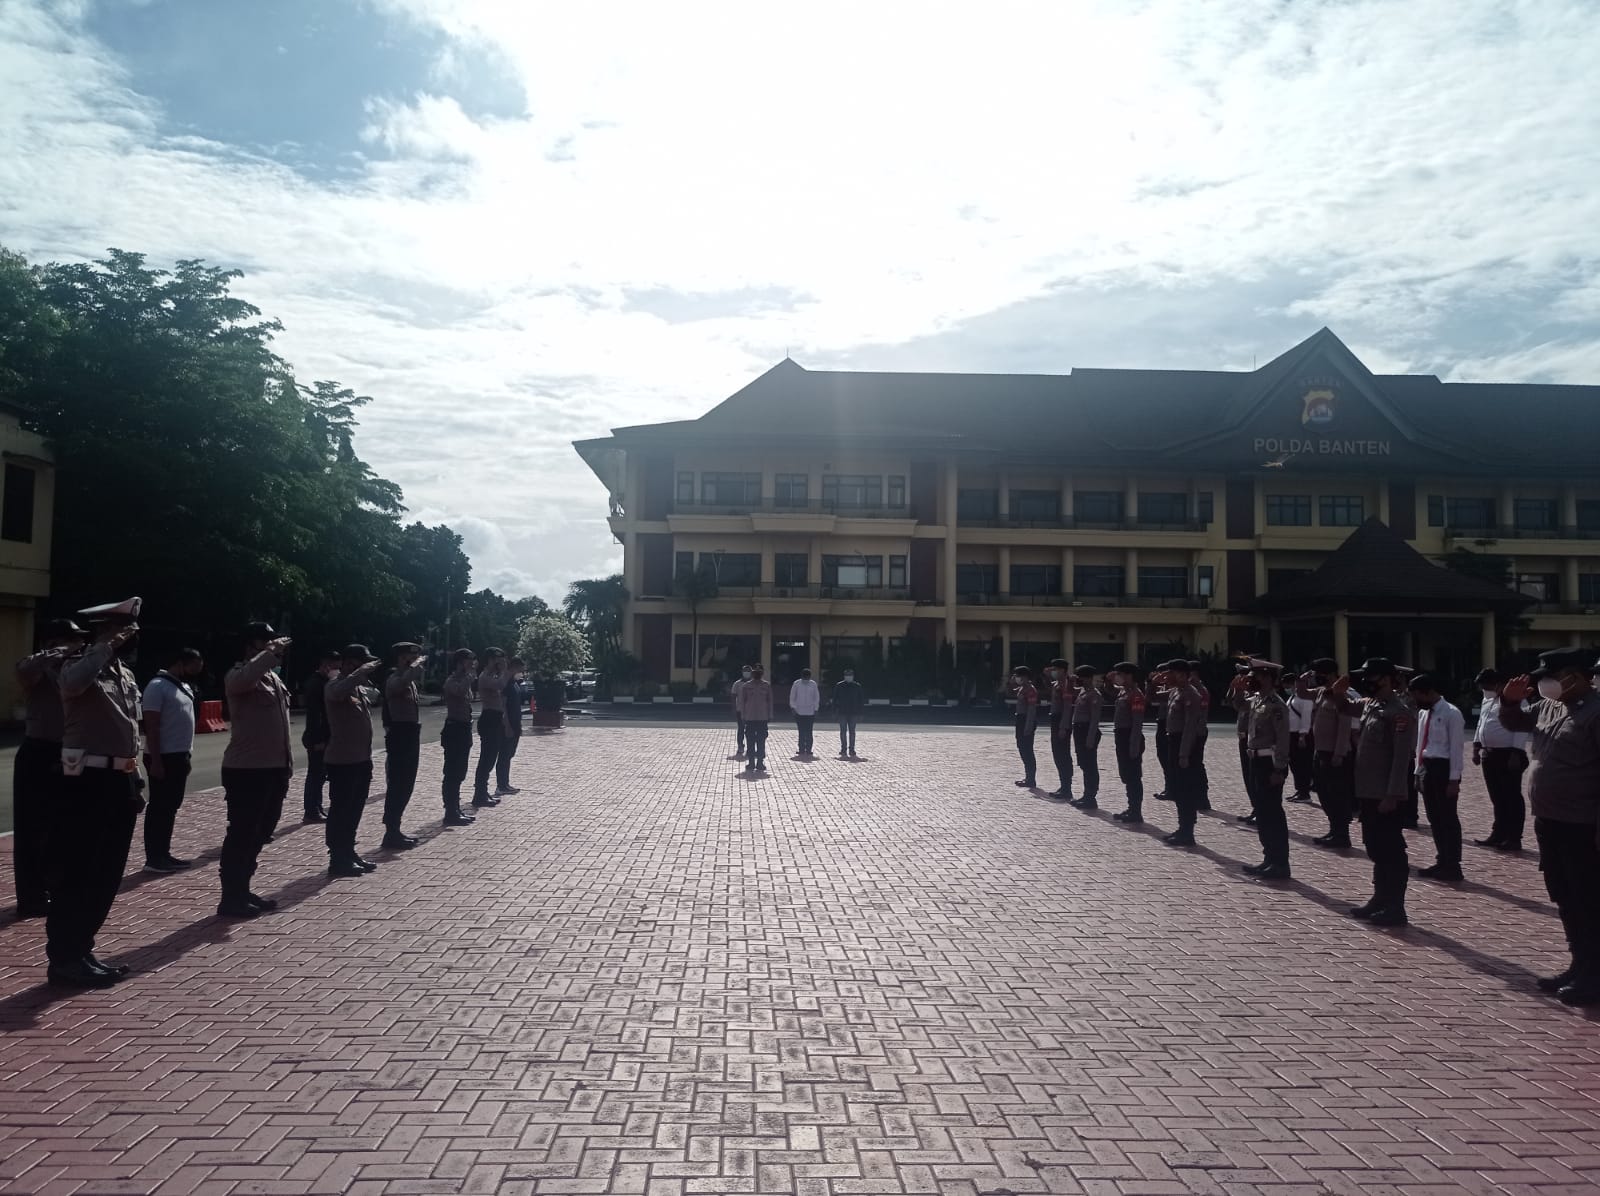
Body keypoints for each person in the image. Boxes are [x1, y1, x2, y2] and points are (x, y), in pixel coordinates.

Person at [46, 598, 143, 987]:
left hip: (119, 781)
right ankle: (64, 958)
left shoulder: (124, 674)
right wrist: (104, 647)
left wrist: (137, 782)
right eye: (124, 629)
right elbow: (71, 685)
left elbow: (133, 733)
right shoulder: (75, 664)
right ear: (104, 630)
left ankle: (82, 949)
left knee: (107, 873)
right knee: (77, 872)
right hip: (85, 781)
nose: (131, 636)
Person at [1498, 649, 1600, 1005]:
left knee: (1588, 897)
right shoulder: (1550, 707)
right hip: (1549, 820)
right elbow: (1514, 723)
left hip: (1582, 823)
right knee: (1564, 894)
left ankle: (1594, 974)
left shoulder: (1596, 712)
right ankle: (1580, 964)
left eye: (1551, 675)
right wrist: (1508, 703)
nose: (1545, 683)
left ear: (1574, 675)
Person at [13, 617, 90, 919]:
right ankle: (30, 897)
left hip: (71, 751)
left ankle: (53, 886)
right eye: (73, 640)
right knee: (33, 829)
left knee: (65, 825)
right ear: (54, 641)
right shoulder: (38, 667)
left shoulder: (75, 670)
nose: (79, 645)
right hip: (40, 751)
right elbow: (23, 670)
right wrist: (52, 654)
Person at [218, 623, 294, 918]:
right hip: (246, 769)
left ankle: (242, 888)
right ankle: (230, 898)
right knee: (241, 834)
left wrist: (286, 766)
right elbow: (244, 679)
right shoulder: (238, 676)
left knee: (261, 833)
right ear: (250, 647)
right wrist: (268, 654)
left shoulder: (272, 680)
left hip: (273, 768)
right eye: (265, 644)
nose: (274, 651)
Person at [1338, 658, 1417, 927]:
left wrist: (1392, 795)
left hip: (1385, 794)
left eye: (1370, 677)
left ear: (1385, 678)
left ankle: (1395, 906)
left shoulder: (1399, 712)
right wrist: (1335, 692)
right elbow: (1345, 707)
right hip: (1368, 791)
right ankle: (1380, 899)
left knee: (1391, 850)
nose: (1366, 681)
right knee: (1375, 847)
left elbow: (1400, 758)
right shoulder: (1370, 705)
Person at [141, 647, 203, 874]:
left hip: (179, 755)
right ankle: (154, 858)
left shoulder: (184, 687)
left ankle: (164, 853)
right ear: (180, 663)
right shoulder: (157, 687)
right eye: (194, 666)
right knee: (159, 807)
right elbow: (152, 727)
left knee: (170, 808)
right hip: (162, 756)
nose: (196, 671)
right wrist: (156, 761)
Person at [324, 644, 382, 877]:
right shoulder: (335, 685)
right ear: (349, 663)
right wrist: (359, 673)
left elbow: (377, 697)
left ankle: (349, 851)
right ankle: (337, 857)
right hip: (342, 760)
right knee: (341, 810)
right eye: (362, 662)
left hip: (360, 758)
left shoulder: (358, 689)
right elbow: (338, 692)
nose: (366, 667)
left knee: (355, 809)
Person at [1408, 674, 1467, 883]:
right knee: (1434, 818)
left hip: (1444, 769)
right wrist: (1417, 771)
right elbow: (1420, 744)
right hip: (1428, 767)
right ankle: (1442, 859)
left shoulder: (1452, 713)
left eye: (1417, 695)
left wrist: (1454, 780)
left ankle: (1453, 864)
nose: (1415, 700)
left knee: (1448, 818)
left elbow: (1456, 748)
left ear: (1428, 692)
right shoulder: (1424, 714)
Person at [1237, 659, 1293, 879]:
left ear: (1269, 677)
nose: (1253, 680)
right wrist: (1238, 689)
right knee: (1261, 811)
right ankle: (1269, 858)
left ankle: (1280, 862)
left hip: (1269, 763)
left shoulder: (1277, 704)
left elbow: (1282, 739)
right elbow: (1238, 705)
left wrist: (1279, 769)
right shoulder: (1257, 700)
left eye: (1257, 676)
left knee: (1272, 813)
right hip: (1255, 760)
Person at [1471, 668, 1529, 851]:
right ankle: (1499, 833)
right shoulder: (1487, 700)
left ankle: (1514, 837)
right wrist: (1476, 746)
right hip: (1489, 754)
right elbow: (1482, 722)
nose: (1485, 690)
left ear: (1498, 684)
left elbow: (1521, 728)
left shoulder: (1516, 699)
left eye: (1487, 686)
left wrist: (1516, 752)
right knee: (1497, 797)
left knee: (1511, 796)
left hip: (1509, 754)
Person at [1301, 658, 1354, 849]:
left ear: (1330, 673)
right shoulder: (1322, 692)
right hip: (1321, 750)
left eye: (1319, 673)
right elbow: (1303, 694)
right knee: (1324, 793)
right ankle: (1334, 829)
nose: (1316, 677)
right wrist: (1302, 680)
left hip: (1335, 753)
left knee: (1337, 794)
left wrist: (1339, 753)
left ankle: (1342, 834)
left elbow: (1344, 726)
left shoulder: (1341, 695)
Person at [381, 642, 425, 850]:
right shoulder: (394, 679)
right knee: (398, 784)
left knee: (408, 783)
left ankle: (395, 829)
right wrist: (413, 669)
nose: (414, 661)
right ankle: (390, 831)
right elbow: (399, 685)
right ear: (400, 658)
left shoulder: (411, 682)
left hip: (411, 734)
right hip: (399, 735)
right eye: (409, 657)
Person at [1163, 660, 1209, 846]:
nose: (1168, 676)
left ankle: (1187, 831)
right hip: (1175, 741)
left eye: (1172, 673)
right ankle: (1182, 827)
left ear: (1182, 674)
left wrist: (1183, 754)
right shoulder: (1176, 692)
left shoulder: (1192, 694)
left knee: (1186, 789)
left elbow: (1190, 727)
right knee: (1178, 788)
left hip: (1186, 745)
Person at [440, 649, 477, 826]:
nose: (472, 664)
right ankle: (450, 811)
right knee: (452, 772)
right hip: (454, 729)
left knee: (460, 771)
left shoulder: (464, 681)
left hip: (463, 729)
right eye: (468, 661)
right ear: (460, 662)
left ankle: (455, 807)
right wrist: (469, 677)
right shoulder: (452, 681)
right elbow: (460, 692)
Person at [300, 651, 338, 823]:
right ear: (325, 665)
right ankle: (311, 810)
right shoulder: (316, 684)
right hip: (318, 737)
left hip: (324, 736)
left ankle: (317, 807)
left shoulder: (324, 682)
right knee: (315, 774)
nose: (336, 670)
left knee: (320, 775)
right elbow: (315, 715)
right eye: (334, 666)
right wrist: (318, 740)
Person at [471, 648, 510, 807]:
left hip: (496, 718)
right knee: (486, 758)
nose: (498, 663)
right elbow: (501, 684)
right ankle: (479, 794)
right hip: (489, 718)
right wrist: (505, 670)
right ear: (489, 660)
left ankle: (482, 791)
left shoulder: (493, 675)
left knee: (491, 757)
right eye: (496, 659)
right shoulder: (485, 676)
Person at [1109, 661, 1145, 823]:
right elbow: (1109, 690)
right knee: (1126, 774)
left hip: (1130, 736)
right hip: (1121, 736)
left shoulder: (1136, 695)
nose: (1119, 677)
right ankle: (1131, 808)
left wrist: (1134, 745)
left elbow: (1137, 722)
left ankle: (1136, 811)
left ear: (1129, 675)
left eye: (1121, 674)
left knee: (1133, 775)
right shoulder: (1124, 692)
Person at [1069, 665, 1102, 809]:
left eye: (1080, 677)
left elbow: (1095, 719)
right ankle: (1086, 795)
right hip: (1079, 731)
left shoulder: (1094, 694)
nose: (1078, 679)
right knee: (1083, 763)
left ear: (1087, 678)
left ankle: (1090, 797)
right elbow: (1069, 690)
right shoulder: (1083, 691)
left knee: (1090, 765)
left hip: (1087, 731)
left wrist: (1090, 738)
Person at [494, 657, 528, 795]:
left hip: (515, 722)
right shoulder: (507, 683)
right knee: (504, 754)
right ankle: (501, 784)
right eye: (521, 668)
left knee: (509, 754)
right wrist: (507, 724)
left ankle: (505, 783)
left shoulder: (514, 682)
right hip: (508, 724)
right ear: (514, 667)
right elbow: (503, 705)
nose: (523, 672)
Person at [1044, 658, 1075, 801]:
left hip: (1062, 720)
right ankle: (1063, 786)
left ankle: (1067, 788)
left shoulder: (1067, 685)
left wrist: (1063, 726)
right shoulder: (1057, 683)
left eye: (1056, 669)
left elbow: (1067, 707)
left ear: (1063, 670)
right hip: (1055, 719)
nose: (1053, 671)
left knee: (1063, 754)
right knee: (1057, 753)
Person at [1231, 662, 1258, 826]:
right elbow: (1235, 704)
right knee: (1248, 777)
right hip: (1244, 739)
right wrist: (1237, 689)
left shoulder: (1261, 699)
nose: (1246, 680)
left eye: (1249, 678)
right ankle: (1256, 808)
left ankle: (1260, 810)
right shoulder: (1248, 696)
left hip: (1255, 742)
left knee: (1255, 778)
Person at [737, 663, 773, 771]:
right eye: (755, 674)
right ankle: (751, 762)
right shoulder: (746, 686)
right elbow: (742, 702)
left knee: (761, 741)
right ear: (753, 675)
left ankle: (760, 762)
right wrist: (743, 715)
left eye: (759, 673)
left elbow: (770, 701)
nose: (757, 675)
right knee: (751, 741)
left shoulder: (766, 686)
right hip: (750, 718)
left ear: (761, 675)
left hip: (762, 718)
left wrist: (770, 715)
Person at [1011, 666, 1040, 788]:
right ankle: (1028, 777)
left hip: (1026, 720)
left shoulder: (1030, 690)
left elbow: (1031, 710)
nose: (1017, 678)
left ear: (1025, 677)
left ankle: (1031, 779)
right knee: (1022, 748)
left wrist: (1028, 727)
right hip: (1020, 720)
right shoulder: (1022, 688)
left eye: (1019, 676)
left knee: (1027, 750)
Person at [1287, 678, 1315, 801]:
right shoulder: (1293, 697)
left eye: (1300, 686)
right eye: (1296, 685)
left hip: (1301, 735)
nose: (1297, 688)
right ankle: (1299, 789)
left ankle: (1305, 792)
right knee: (1294, 764)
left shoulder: (1306, 699)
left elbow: (1306, 718)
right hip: (1291, 734)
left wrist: (1303, 735)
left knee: (1302, 764)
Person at [833, 668, 864, 757]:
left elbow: (861, 700)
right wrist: (834, 711)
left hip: (853, 712)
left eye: (850, 675)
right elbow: (835, 699)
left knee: (852, 732)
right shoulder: (839, 685)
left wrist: (861, 713)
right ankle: (843, 749)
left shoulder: (857, 686)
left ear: (853, 676)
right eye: (847, 675)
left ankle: (852, 749)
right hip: (842, 712)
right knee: (843, 732)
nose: (849, 677)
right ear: (844, 676)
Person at [789, 667, 820, 756]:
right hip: (799, 711)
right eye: (805, 677)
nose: (806, 679)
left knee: (809, 731)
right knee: (801, 731)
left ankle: (809, 749)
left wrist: (816, 709)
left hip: (810, 712)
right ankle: (801, 749)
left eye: (808, 677)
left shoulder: (813, 684)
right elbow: (792, 697)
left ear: (810, 677)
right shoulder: (796, 684)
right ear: (802, 676)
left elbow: (816, 697)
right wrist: (793, 708)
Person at [731, 665, 754, 759]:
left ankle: (750, 748)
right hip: (740, 709)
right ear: (742, 672)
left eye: (748, 671)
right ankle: (740, 745)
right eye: (745, 671)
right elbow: (733, 696)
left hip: (752, 710)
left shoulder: (754, 683)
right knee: (741, 728)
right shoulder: (737, 683)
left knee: (750, 730)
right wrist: (733, 708)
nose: (747, 672)